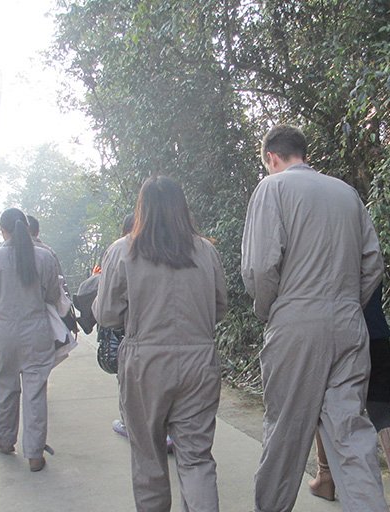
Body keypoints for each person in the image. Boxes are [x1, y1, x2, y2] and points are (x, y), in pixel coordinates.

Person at [241, 125, 388, 512]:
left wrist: (270, 309)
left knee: (286, 433)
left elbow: (259, 268)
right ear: (302, 152)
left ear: (272, 157)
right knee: (351, 435)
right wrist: (347, 304)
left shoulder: (272, 189)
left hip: (296, 321)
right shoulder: (346, 194)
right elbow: (373, 262)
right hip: (349, 324)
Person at [93, 176, 227, 511]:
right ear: (182, 209)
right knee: (196, 459)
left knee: (149, 459)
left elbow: (107, 314)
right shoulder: (206, 251)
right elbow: (220, 307)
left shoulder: (123, 250)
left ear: (143, 209)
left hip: (145, 363)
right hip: (199, 361)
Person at [309, 283, 390, 511]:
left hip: (347, 337)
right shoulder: (370, 249)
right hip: (379, 338)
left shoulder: (337, 254)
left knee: (322, 405)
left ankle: (326, 477)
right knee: (381, 413)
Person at [0, 208, 61, 472]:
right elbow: (52, 295)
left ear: (3, 230)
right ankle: (35, 454)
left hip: (3, 332)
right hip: (36, 331)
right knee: (35, 392)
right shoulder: (45, 257)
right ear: (27, 228)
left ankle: (4, 440)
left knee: (5, 385)